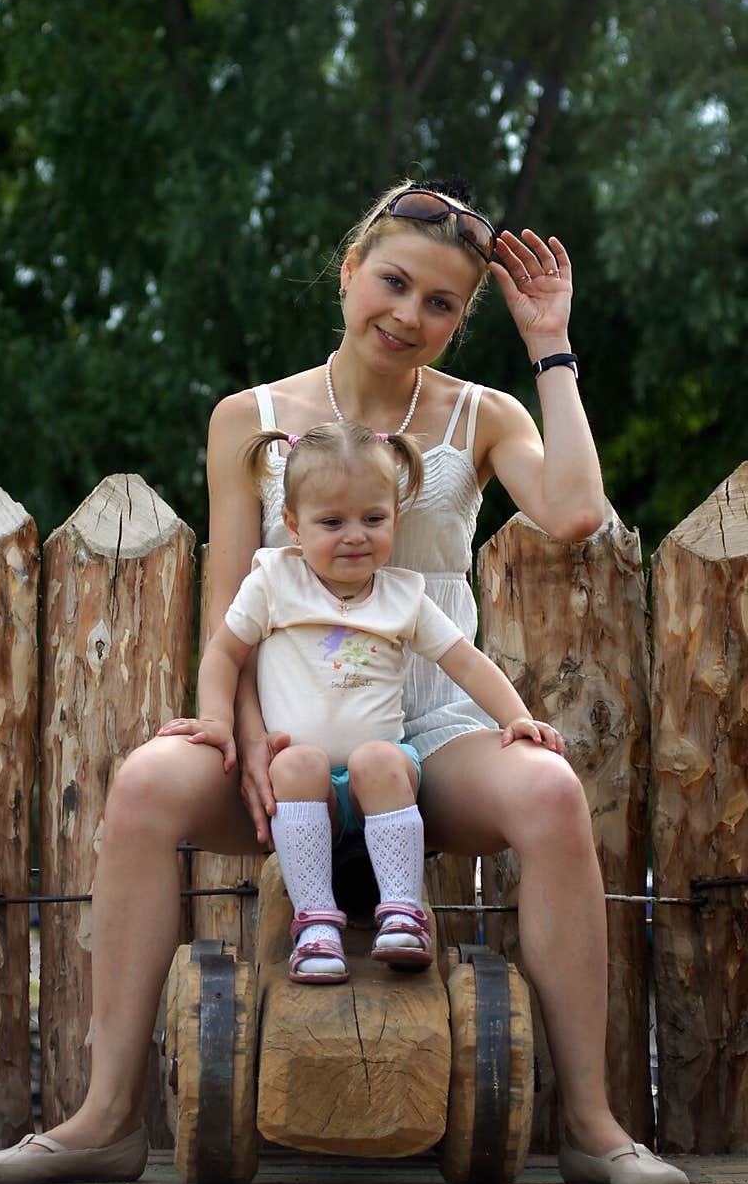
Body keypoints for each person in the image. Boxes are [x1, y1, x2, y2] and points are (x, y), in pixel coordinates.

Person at [0, 177, 689, 1184]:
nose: (409, 315)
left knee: (552, 794)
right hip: (288, 719)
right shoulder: (247, 420)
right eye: (393, 282)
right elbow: (228, 609)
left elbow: (575, 512)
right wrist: (244, 735)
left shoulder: (478, 416)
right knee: (143, 785)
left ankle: (590, 1125)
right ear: (350, 272)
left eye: (441, 304)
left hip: (425, 727)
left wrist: (550, 346)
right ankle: (106, 1118)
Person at [160, 419, 563, 984]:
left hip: (383, 782)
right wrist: (215, 720)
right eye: (332, 522)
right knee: (296, 763)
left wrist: (516, 717)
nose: (355, 535)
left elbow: (465, 662)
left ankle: (401, 913)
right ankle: (315, 922)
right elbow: (224, 653)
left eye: (373, 519)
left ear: (395, 518)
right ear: (293, 526)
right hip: (307, 787)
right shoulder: (275, 583)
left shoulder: (402, 595)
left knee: (381, 756)